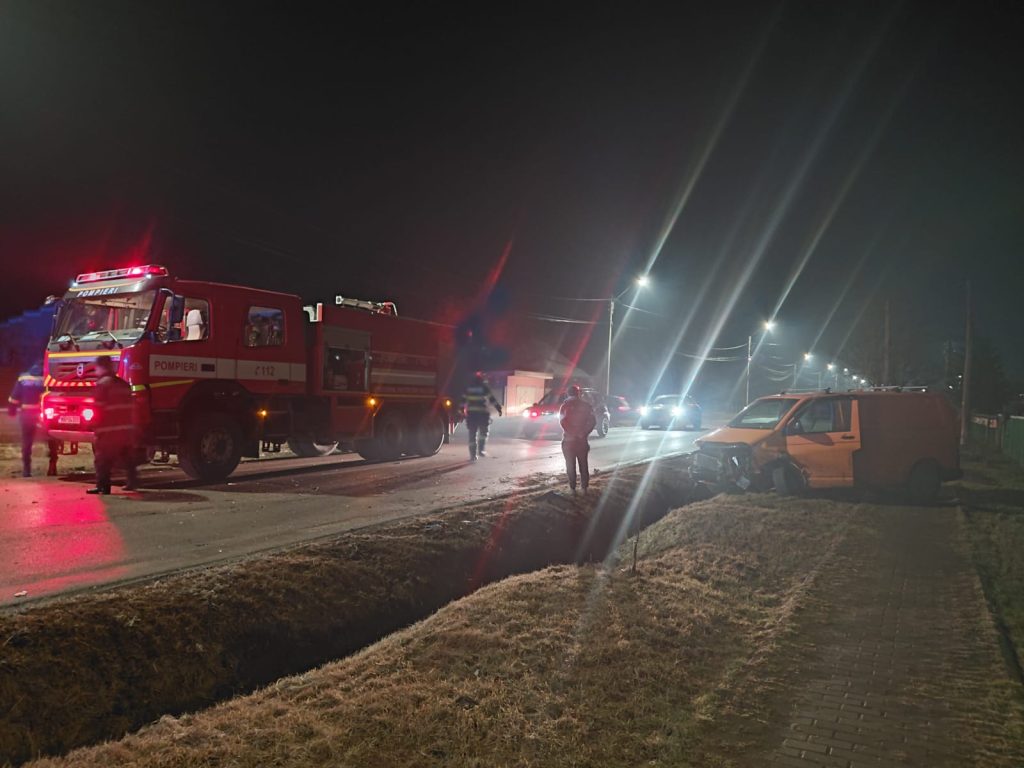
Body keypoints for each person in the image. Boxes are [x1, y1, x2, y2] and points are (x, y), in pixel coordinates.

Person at [88, 356, 139, 494]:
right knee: (128, 458)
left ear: (100, 367)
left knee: (102, 460)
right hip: (126, 430)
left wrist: (94, 426)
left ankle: (103, 487)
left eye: (96, 368)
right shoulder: (124, 384)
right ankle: (132, 482)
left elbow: (98, 409)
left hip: (108, 431)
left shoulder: (102, 385)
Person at [7, 362, 59, 477]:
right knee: (51, 440)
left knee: (27, 442)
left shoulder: (23, 378)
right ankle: (52, 466)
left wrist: (12, 411)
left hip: (27, 415)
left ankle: (27, 470)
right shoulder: (47, 379)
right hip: (44, 416)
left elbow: (14, 398)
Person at [559, 384, 596, 494]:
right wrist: (583, 433)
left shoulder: (564, 406)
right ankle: (584, 488)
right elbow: (592, 421)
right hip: (582, 440)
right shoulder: (586, 406)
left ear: (567, 393)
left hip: (568, 441)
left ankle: (572, 489)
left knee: (570, 465)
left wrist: (572, 432)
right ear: (579, 393)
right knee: (583, 464)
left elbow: (562, 422)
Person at [461, 371, 502, 460]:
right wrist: (498, 408)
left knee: (472, 435)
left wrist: (461, 411)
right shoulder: (483, 387)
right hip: (482, 414)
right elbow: (491, 399)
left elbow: (463, 400)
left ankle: (473, 455)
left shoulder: (468, 387)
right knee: (483, 432)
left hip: (471, 415)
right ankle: (481, 450)